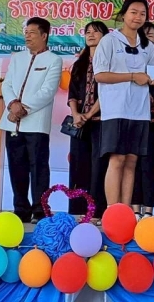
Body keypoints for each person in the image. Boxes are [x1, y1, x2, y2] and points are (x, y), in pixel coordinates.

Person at [94, 0, 154, 208]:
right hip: (115, 109)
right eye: (133, 12)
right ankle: (113, 211)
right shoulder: (109, 41)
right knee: (117, 159)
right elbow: (100, 75)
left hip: (140, 110)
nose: (138, 17)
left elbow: (150, 74)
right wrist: (132, 76)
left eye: (142, 14)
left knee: (132, 161)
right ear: (123, 14)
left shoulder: (148, 46)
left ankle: (125, 211)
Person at [0, 18, 63, 223]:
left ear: (44, 35)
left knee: (38, 168)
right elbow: (7, 85)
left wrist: (22, 108)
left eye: (32, 32)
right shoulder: (17, 58)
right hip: (12, 121)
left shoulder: (54, 60)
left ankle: (40, 209)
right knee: (16, 167)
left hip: (36, 123)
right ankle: (21, 209)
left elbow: (47, 92)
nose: (27, 36)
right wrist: (12, 104)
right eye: (26, 32)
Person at [67, 21, 110, 223]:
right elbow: (73, 93)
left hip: (101, 121)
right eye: (88, 32)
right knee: (78, 165)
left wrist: (90, 113)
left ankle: (96, 211)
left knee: (98, 166)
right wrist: (76, 114)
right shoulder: (79, 63)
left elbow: (108, 92)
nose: (91, 35)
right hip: (79, 123)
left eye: (96, 32)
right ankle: (77, 210)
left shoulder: (109, 63)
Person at [132, 22, 154, 220]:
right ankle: (134, 209)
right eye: (143, 35)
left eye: (151, 35)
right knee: (132, 164)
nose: (147, 39)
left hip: (153, 122)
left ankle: (148, 211)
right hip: (132, 120)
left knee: (150, 165)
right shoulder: (130, 62)